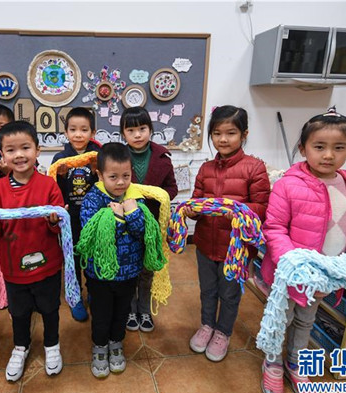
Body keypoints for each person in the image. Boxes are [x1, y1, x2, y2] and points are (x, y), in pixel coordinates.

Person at [259, 107, 346, 393]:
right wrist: (295, 265)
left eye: (339, 148)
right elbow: (274, 228)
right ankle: (272, 362)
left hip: (324, 277)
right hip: (290, 276)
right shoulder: (288, 184)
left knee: (306, 321)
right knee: (281, 319)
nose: (328, 155)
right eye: (319, 147)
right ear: (303, 148)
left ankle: (296, 364)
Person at [0, 121, 65, 382]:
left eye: (25, 148)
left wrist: (55, 220)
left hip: (48, 264)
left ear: (37, 150)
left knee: (50, 308)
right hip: (13, 267)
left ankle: (52, 344)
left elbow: (59, 228)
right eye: (11, 150)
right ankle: (21, 346)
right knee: (19, 312)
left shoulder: (49, 186)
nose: (19, 155)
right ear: (1, 155)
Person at [183, 105, 270, 362]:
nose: (223, 139)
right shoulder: (206, 169)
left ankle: (223, 332)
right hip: (205, 244)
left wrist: (239, 211)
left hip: (236, 248)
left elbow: (262, 207)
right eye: (217, 133)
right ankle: (207, 325)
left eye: (230, 133)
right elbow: (197, 201)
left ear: (244, 134)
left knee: (230, 293)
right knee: (208, 289)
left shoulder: (255, 168)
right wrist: (191, 210)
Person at [80, 142, 149, 378]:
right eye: (113, 177)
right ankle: (100, 346)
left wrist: (133, 213)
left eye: (126, 176)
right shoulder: (92, 199)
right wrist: (118, 220)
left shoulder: (135, 197)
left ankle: (116, 342)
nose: (121, 182)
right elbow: (93, 235)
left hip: (129, 272)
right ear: (100, 175)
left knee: (121, 311)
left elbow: (142, 232)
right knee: (101, 312)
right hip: (99, 273)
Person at [120, 106, 177, 333]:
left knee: (147, 269)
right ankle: (129, 309)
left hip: (152, 224)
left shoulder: (163, 158)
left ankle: (144, 309)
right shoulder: (117, 156)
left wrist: (155, 195)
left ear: (150, 129)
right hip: (125, 223)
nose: (137, 135)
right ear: (123, 133)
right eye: (131, 130)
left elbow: (172, 188)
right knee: (128, 268)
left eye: (142, 129)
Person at [51, 107, 101, 322]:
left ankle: (93, 291)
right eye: (73, 129)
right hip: (69, 217)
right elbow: (54, 190)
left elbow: (104, 186)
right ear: (66, 132)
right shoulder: (60, 158)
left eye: (84, 130)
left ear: (93, 132)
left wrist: (97, 171)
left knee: (92, 255)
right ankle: (75, 295)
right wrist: (61, 177)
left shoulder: (98, 157)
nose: (78, 134)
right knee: (72, 257)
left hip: (93, 216)